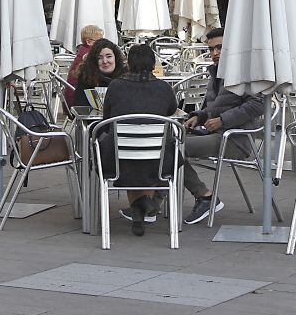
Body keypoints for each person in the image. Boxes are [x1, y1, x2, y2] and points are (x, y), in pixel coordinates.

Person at [180, 27, 266, 224]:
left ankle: (205, 197)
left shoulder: (244, 73)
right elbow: (213, 108)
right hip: (213, 133)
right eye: (211, 49)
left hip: (236, 139)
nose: (215, 53)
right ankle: (151, 203)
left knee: (172, 148)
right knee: (167, 141)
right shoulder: (216, 72)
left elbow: (258, 104)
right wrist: (198, 116)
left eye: (220, 48)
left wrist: (223, 120)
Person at [98, 44, 177, 237]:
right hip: (157, 159)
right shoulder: (164, 88)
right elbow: (171, 110)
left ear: (128, 63)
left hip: (118, 159)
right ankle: (141, 206)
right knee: (158, 152)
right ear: (153, 63)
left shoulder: (116, 86)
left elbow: (107, 121)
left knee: (117, 150)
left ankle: (138, 209)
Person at [72, 38, 123, 109]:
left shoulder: (125, 77)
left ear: (116, 57)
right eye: (99, 58)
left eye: (109, 56)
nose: (105, 61)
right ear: (94, 61)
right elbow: (79, 107)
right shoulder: (87, 77)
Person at [64, 25, 103, 107]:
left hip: (72, 95)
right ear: (89, 42)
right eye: (99, 41)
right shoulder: (88, 54)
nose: (102, 44)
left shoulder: (82, 50)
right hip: (78, 100)